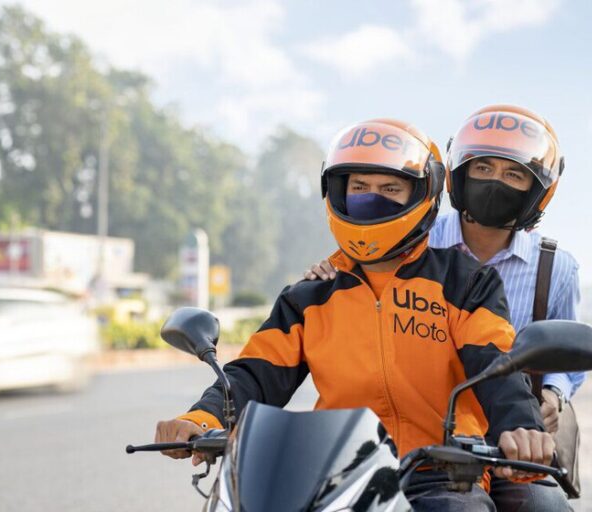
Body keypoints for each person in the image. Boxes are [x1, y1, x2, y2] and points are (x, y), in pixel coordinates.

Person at [155, 119, 553, 510]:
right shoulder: (309, 296)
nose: (372, 196)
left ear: (423, 194)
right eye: (359, 186)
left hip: (442, 473)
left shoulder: (466, 283)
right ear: (338, 193)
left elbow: (497, 366)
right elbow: (256, 371)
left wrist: (521, 429)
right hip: (333, 473)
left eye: (390, 188)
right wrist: (203, 416)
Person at [305, 105, 579, 510]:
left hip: (514, 435)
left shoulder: (555, 267)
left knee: (544, 505)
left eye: (514, 175)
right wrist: (336, 269)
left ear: (539, 189)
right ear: (458, 174)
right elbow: (362, 262)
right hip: (425, 432)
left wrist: (553, 395)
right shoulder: (411, 232)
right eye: (483, 168)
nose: (495, 182)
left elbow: (567, 353)